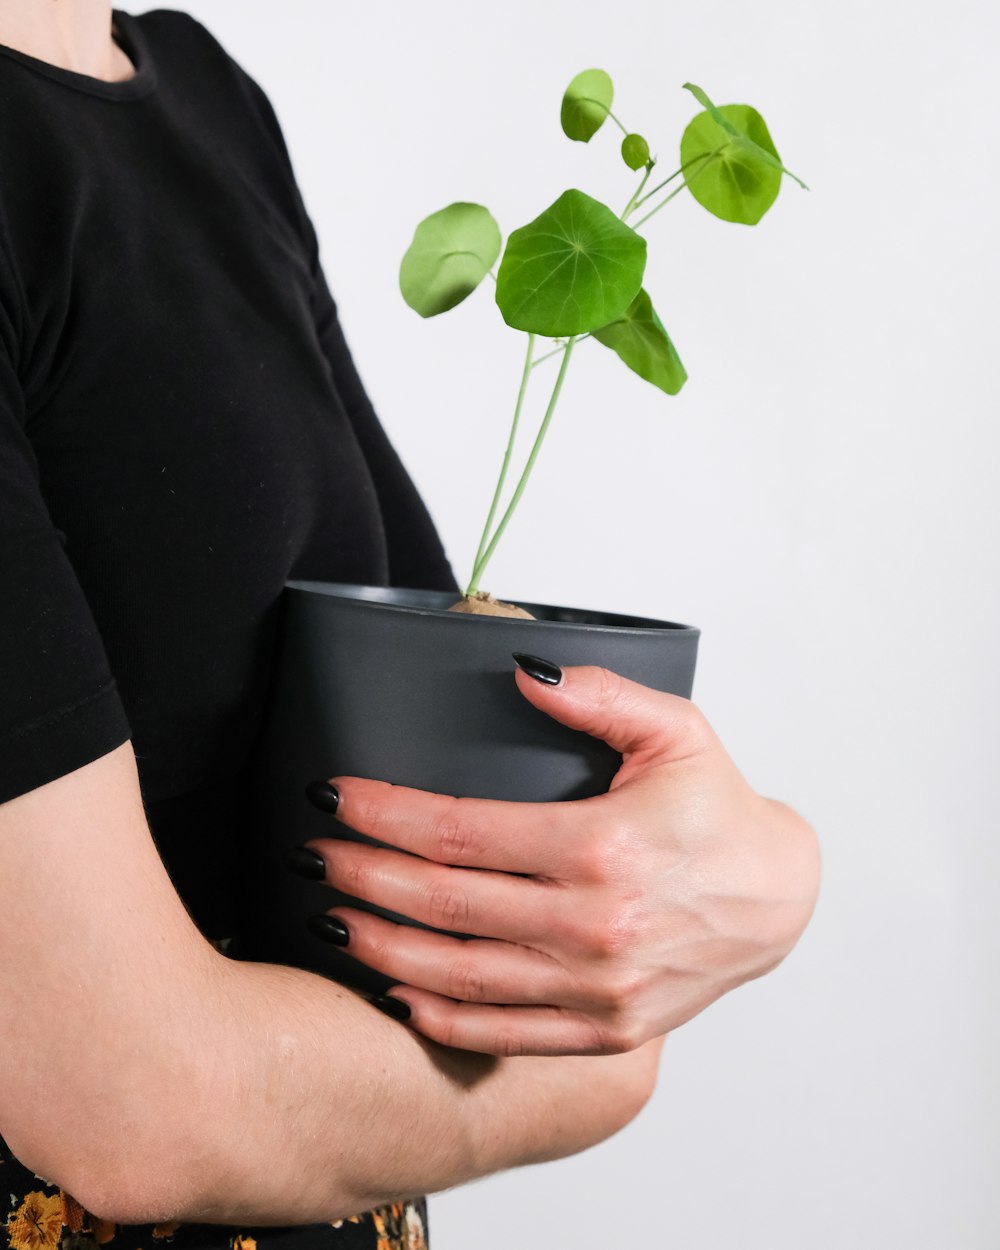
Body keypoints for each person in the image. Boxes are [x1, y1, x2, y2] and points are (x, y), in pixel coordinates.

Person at [0, 5, 821, 1249]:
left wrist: (774, 863)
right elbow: (140, 1102)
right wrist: (605, 1060)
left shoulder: (203, 94)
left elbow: (442, 736)